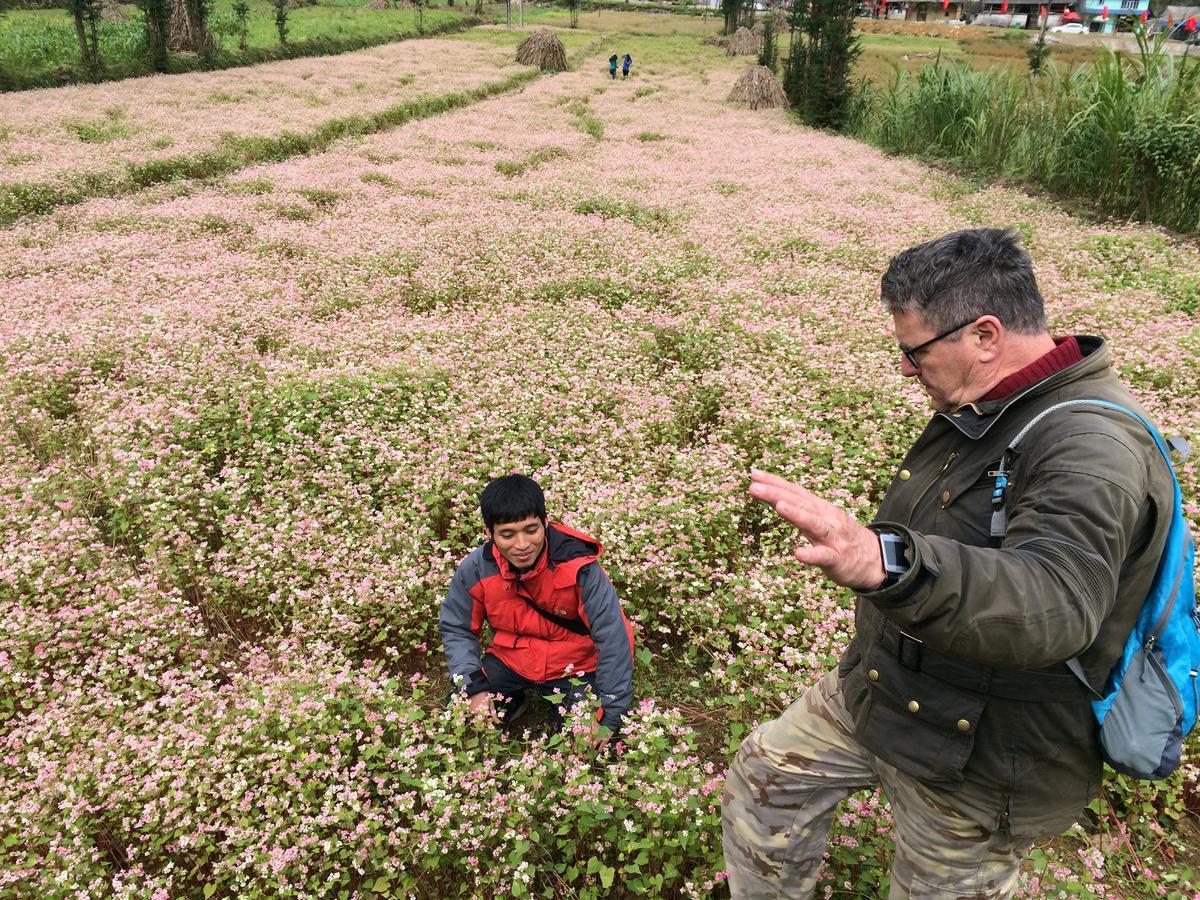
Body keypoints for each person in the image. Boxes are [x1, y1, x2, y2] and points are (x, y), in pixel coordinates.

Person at [721, 228, 1176, 898]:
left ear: (986, 335)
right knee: (765, 776)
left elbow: (1054, 599)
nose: (905, 369)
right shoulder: (993, 402)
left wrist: (890, 561)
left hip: (981, 757)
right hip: (882, 693)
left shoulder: (1091, 448)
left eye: (915, 351)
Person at [440, 474, 634, 749]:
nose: (521, 545)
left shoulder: (580, 566)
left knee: (581, 744)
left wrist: (610, 716)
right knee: (462, 715)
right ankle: (514, 699)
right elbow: (457, 627)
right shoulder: (475, 567)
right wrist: (473, 688)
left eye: (531, 530)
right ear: (489, 534)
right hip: (511, 659)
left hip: (574, 666)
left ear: (545, 523)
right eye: (507, 534)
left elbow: (614, 638)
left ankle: (560, 709)